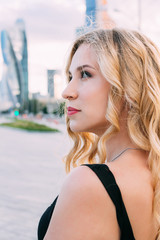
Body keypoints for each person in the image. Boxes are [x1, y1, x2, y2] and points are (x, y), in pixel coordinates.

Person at [38, 28, 160, 240]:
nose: (66, 91)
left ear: (128, 86)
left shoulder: (90, 184)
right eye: (70, 76)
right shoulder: (152, 176)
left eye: (85, 74)